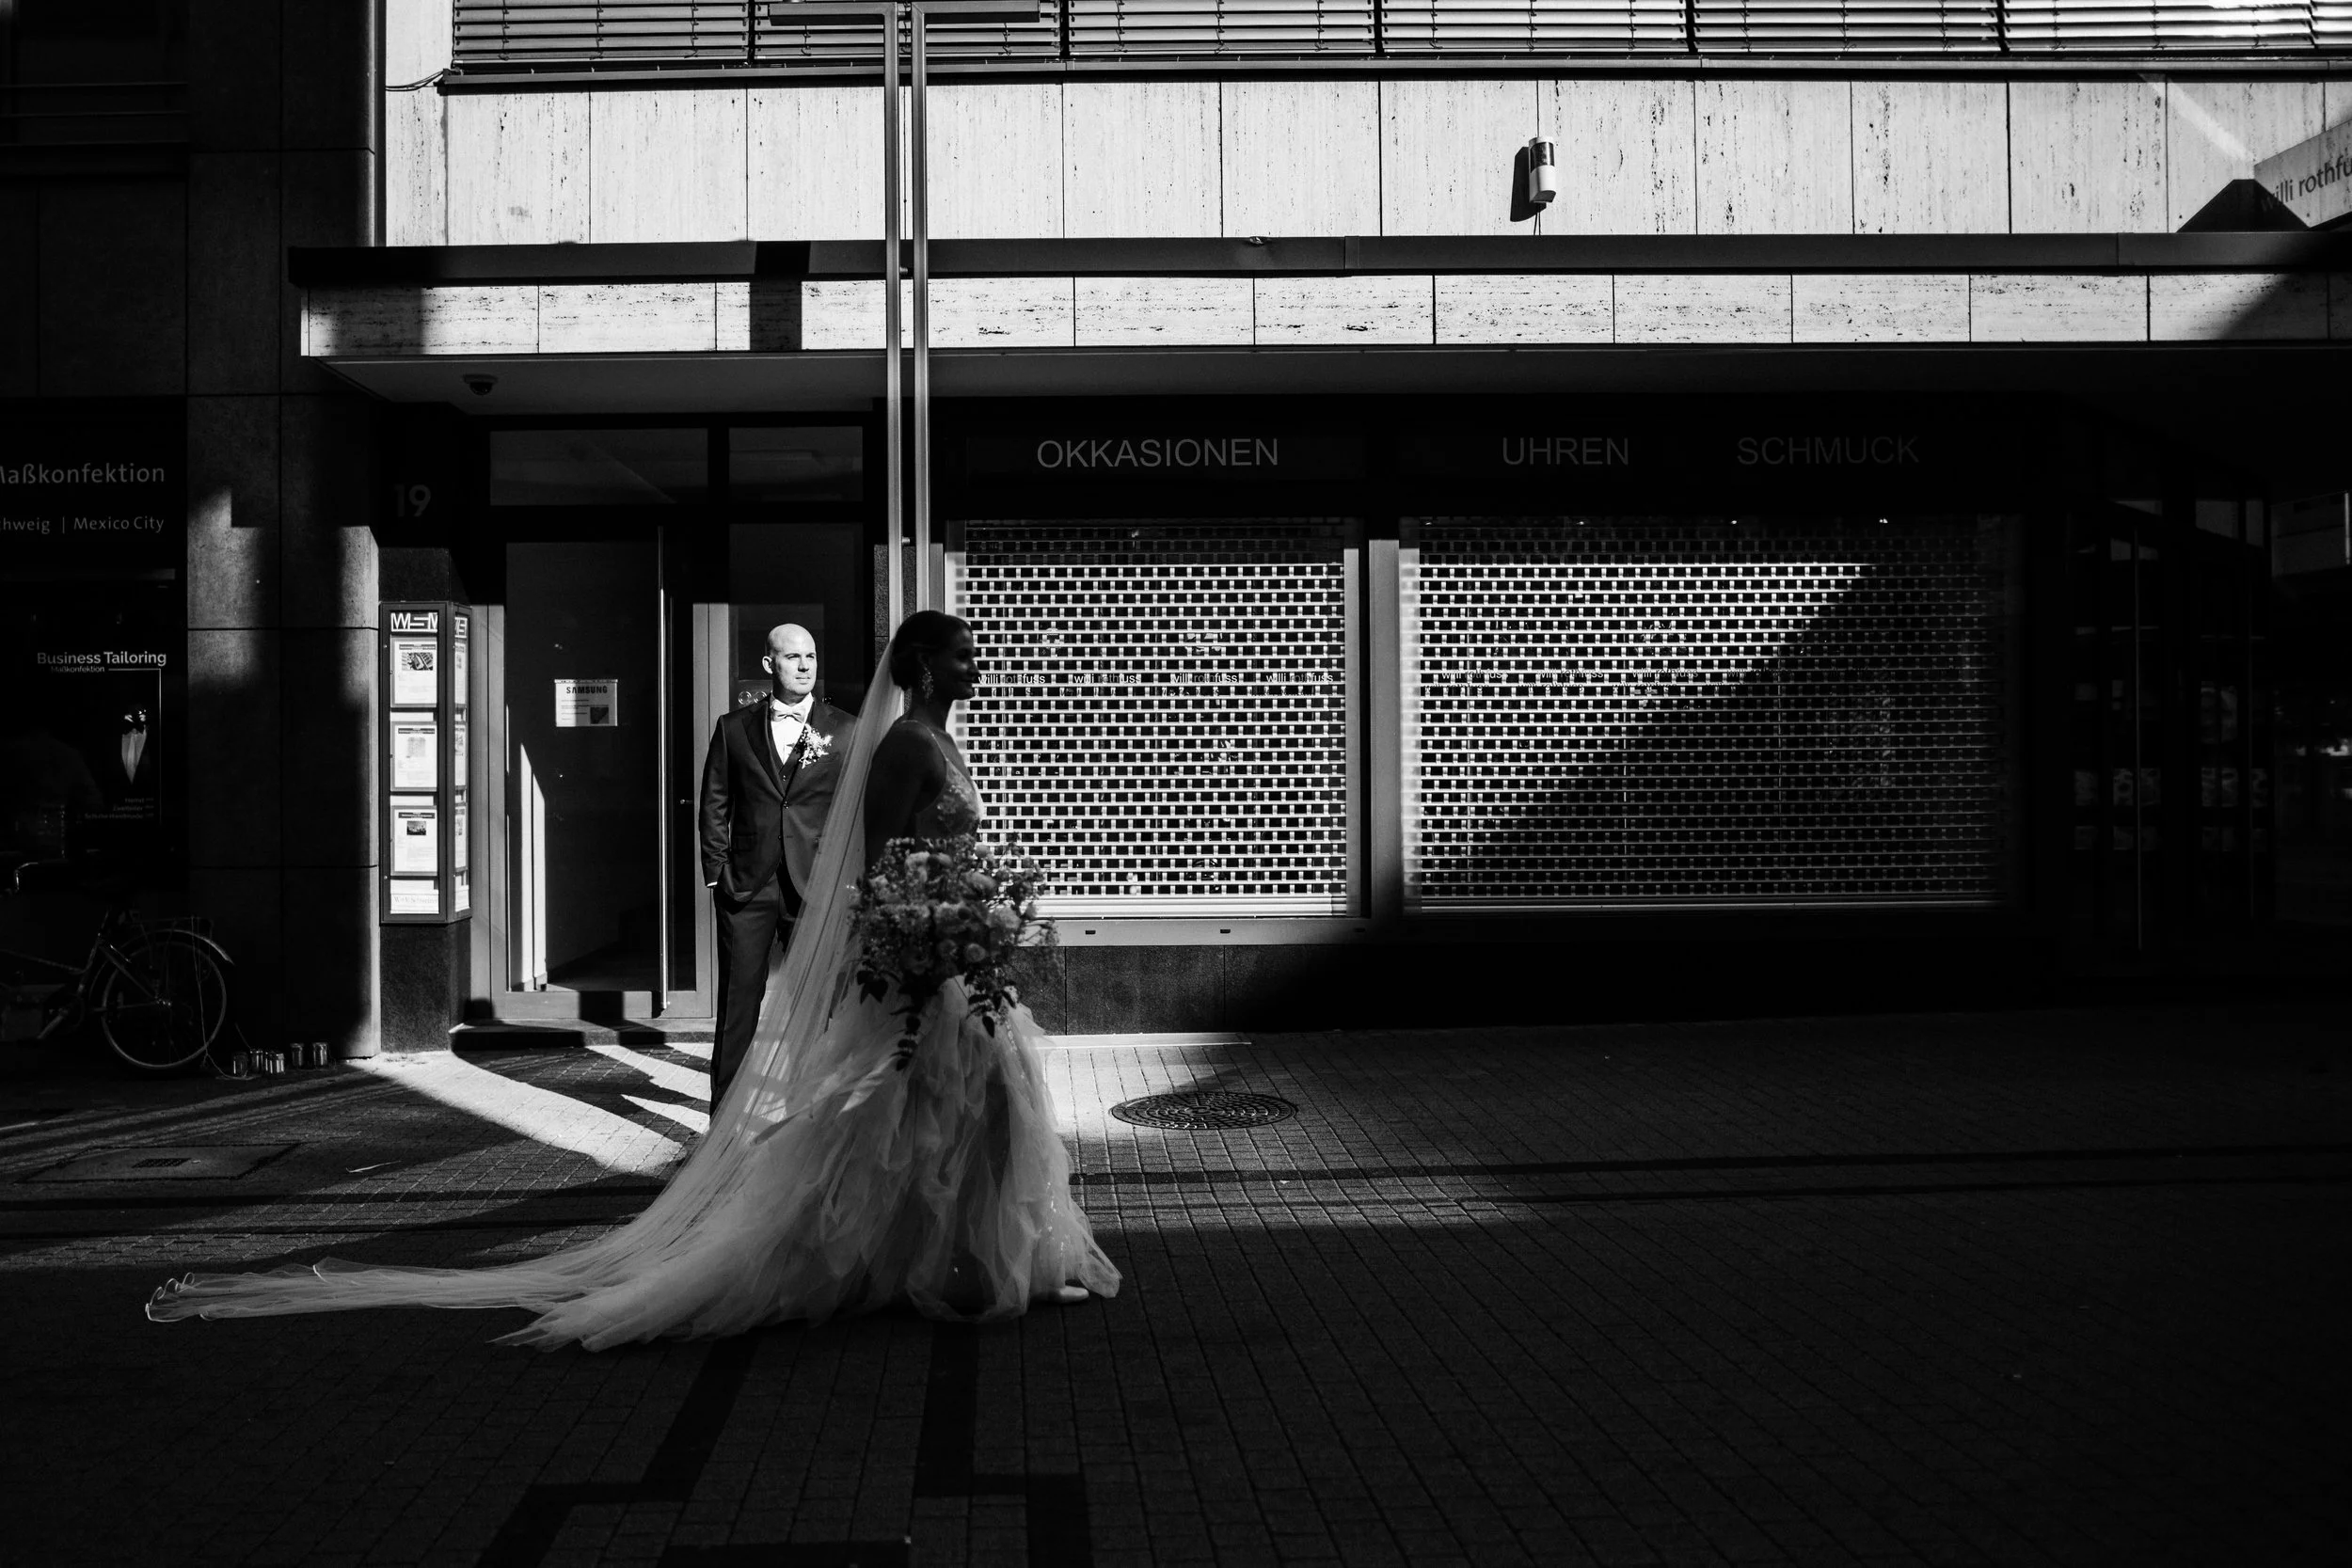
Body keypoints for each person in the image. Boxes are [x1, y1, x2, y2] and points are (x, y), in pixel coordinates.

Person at [147, 611, 1118, 1346]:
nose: (974, 657)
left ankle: (976, 1255)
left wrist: (973, 911)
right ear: (921, 665)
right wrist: (921, 929)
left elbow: (920, 849)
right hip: (920, 958)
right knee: (916, 1110)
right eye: (959, 649)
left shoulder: (925, 737)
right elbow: (877, 855)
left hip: (953, 955)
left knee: (961, 1109)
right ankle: (913, 1252)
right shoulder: (904, 742)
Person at [700, 624, 855, 1106]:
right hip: (747, 886)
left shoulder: (843, 729)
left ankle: (811, 1110)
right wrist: (716, 871)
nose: (805, 665)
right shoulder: (733, 728)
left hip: (816, 884)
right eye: (793, 657)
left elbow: (854, 808)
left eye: (811, 656)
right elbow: (714, 803)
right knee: (738, 1006)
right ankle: (722, 1121)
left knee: (818, 1006)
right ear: (770, 665)